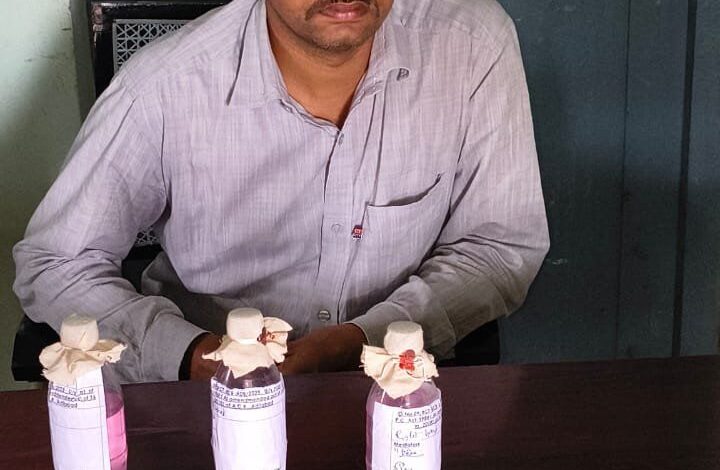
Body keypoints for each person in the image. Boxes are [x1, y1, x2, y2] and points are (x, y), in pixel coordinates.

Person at [13, 0, 549, 383]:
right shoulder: (165, 85)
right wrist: (190, 355)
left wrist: (359, 341)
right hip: (208, 388)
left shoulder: (471, 44)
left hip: (400, 383)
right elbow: (56, 261)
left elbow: (498, 245)